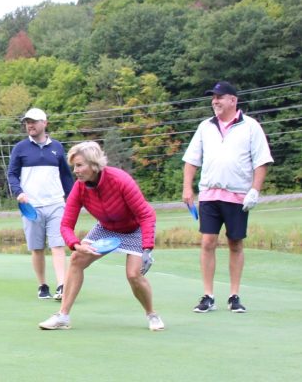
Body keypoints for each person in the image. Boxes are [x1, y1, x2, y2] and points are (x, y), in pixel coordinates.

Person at [38, 141, 165, 331]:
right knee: (76, 259)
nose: (76, 170)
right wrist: (75, 244)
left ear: (94, 164)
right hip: (105, 228)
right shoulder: (79, 187)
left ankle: (152, 315)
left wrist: (147, 248)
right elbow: (65, 224)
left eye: (79, 165)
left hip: (134, 229)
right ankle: (62, 316)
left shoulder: (120, 180)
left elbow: (147, 214)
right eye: (74, 166)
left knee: (133, 275)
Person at [182, 81, 273, 313]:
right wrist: (187, 188)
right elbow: (192, 160)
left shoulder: (251, 126)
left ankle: (234, 295)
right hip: (210, 194)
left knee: (235, 243)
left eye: (219, 97)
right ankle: (208, 295)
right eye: (213, 97)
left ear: (233, 100)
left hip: (238, 196)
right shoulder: (205, 127)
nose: (215, 101)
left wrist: (255, 190)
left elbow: (261, 161)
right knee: (207, 242)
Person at [7, 108, 74, 300]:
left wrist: (73, 199)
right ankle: (43, 285)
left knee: (58, 245)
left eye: (34, 121)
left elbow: (65, 176)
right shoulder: (20, 148)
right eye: (27, 122)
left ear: (45, 123)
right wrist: (18, 193)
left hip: (56, 203)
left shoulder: (57, 147)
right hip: (31, 206)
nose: (30, 125)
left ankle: (62, 285)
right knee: (37, 248)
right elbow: (11, 174)